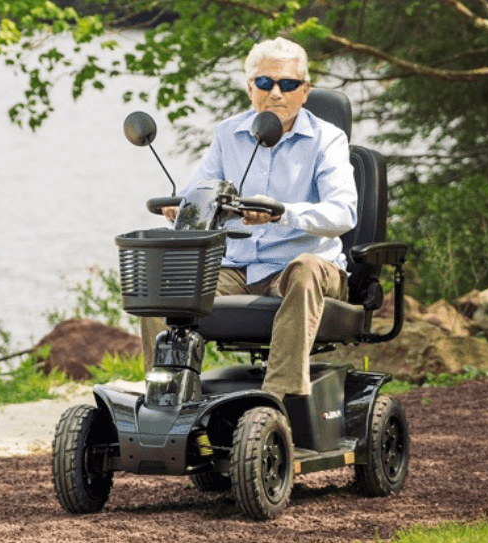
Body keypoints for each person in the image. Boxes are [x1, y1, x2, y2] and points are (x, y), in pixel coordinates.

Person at [138, 38, 358, 398]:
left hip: (301, 268)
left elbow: (343, 212)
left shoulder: (327, 139)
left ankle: (278, 399)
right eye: (264, 82)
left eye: (287, 84)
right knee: (163, 285)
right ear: (249, 88)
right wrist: (184, 210)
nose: (275, 93)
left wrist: (281, 213)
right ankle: (168, 397)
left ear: (304, 91)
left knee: (305, 268)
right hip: (236, 267)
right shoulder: (228, 134)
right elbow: (200, 191)